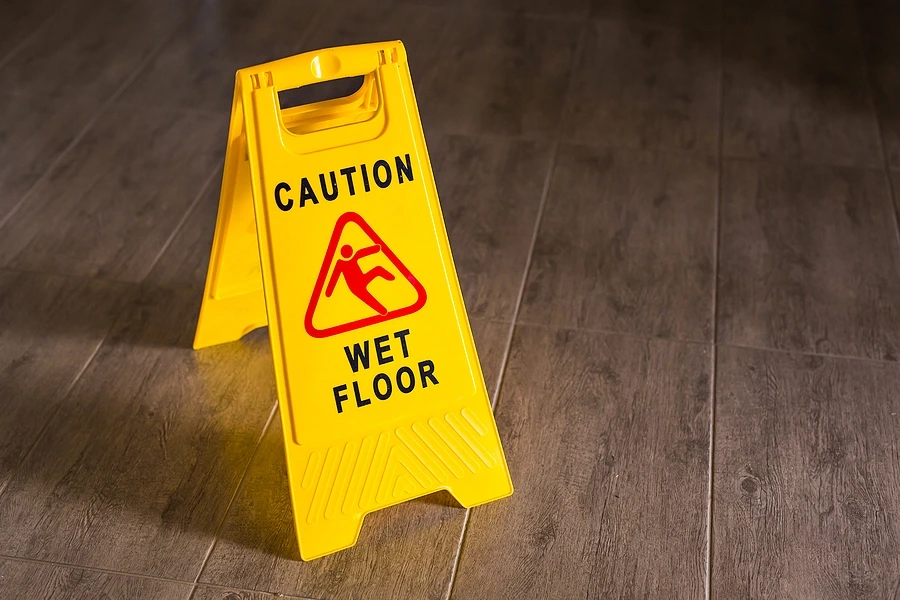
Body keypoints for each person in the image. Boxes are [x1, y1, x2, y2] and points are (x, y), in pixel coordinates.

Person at [325, 244, 395, 315]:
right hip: (356, 288)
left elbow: (363, 252)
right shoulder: (340, 264)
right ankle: (383, 311)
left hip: (362, 279)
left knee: (377, 269)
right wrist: (329, 292)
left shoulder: (354, 257)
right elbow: (334, 277)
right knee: (369, 299)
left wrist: (377, 248)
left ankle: (393, 279)